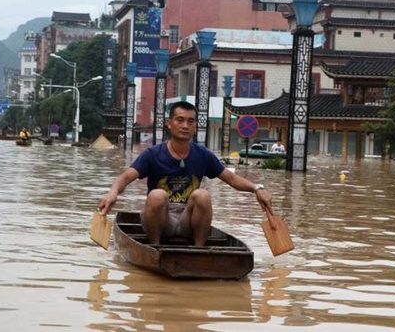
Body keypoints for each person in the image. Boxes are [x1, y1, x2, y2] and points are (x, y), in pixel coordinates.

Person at [98, 101, 274, 246]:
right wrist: (112, 193)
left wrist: (257, 188)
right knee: (157, 195)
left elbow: (231, 178)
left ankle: (198, 251)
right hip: (161, 220)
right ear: (169, 123)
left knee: (202, 195)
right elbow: (125, 177)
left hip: (188, 220)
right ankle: (154, 247)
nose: (185, 126)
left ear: (195, 127)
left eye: (190, 122)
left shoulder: (203, 155)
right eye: (180, 120)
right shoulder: (153, 154)